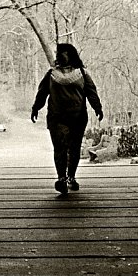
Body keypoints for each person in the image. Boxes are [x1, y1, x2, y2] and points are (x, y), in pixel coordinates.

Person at [31, 43, 103, 194]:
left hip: (78, 118)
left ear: (70, 54)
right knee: (60, 148)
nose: (58, 55)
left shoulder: (82, 73)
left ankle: (71, 177)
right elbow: (42, 92)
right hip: (57, 118)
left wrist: (98, 108)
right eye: (57, 53)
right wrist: (36, 108)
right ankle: (61, 178)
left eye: (61, 53)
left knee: (74, 148)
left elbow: (91, 92)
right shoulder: (51, 74)